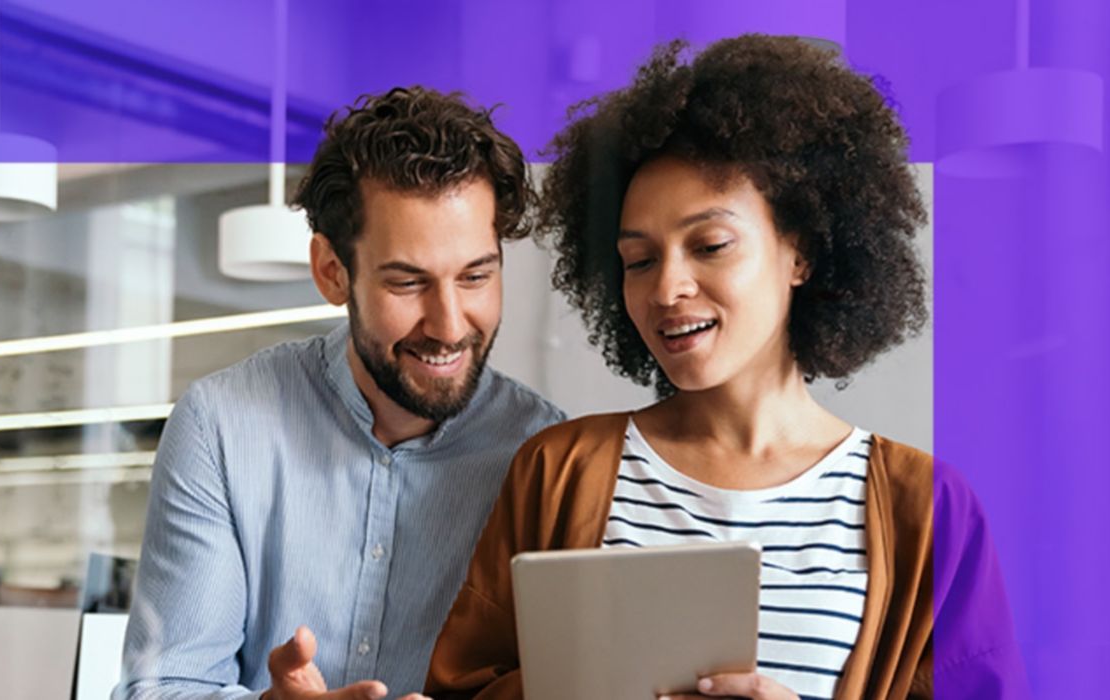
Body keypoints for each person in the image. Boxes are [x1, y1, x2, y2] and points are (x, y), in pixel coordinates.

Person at [422, 35, 1026, 700]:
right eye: (639, 260)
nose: (667, 287)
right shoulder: (559, 468)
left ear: (800, 251)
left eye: (709, 244)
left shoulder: (931, 511)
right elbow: (460, 689)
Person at [115, 86, 566, 700]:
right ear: (332, 271)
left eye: (476, 276)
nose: (450, 324)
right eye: (408, 282)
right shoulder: (221, 425)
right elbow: (164, 686)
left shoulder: (547, 455)